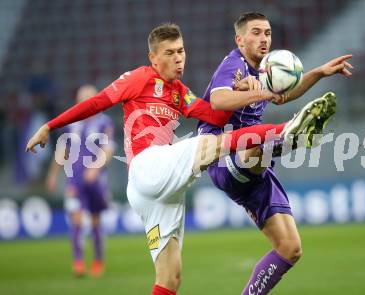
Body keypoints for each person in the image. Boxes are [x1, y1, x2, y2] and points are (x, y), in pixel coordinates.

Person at [26, 23, 335, 295]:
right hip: (148, 168)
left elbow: (215, 113)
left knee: (170, 278)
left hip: (161, 194)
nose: (179, 58)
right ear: (153, 58)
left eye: (182, 51)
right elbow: (95, 103)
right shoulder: (139, 78)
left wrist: (249, 91)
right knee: (211, 145)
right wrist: (49, 126)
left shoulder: (179, 93)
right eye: (171, 52)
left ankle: (286, 132)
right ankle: (287, 130)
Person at [197, 12, 352, 295]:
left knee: (290, 248)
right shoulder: (236, 64)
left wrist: (318, 72)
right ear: (240, 39)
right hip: (220, 154)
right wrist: (261, 94)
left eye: (267, 33)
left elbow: (283, 94)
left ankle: (290, 135)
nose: (264, 38)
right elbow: (218, 100)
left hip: (255, 164)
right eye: (256, 32)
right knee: (257, 143)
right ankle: (290, 136)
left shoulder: (263, 69)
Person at [46, 84, 114, 277]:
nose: (86, 100)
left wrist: (96, 167)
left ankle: (98, 261)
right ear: (77, 100)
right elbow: (62, 151)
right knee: (75, 219)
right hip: (74, 180)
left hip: (96, 181)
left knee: (95, 221)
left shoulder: (104, 123)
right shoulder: (71, 124)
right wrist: (52, 175)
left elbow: (109, 149)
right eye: (82, 97)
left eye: (90, 97)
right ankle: (78, 263)